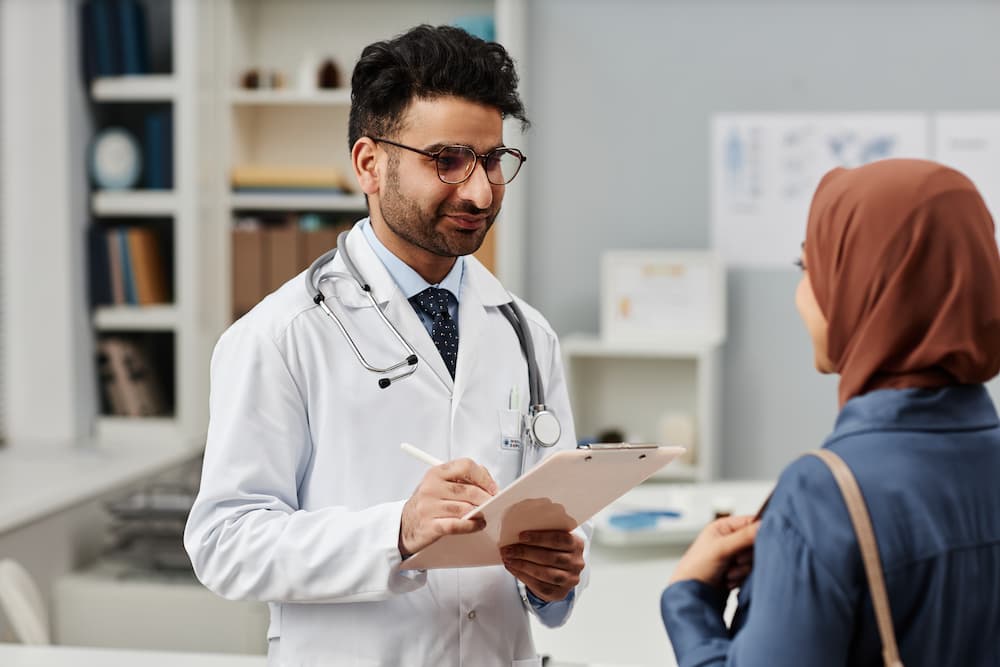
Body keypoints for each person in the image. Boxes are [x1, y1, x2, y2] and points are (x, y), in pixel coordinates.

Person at [184, 25, 589, 667]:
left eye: (491, 160)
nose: (480, 191)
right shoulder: (280, 335)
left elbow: (558, 518)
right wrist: (396, 534)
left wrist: (555, 578)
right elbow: (224, 543)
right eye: (448, 160)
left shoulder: (525, 332)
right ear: (370, 164)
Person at [660, 158, 1000, 666]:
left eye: (809, 268)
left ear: (863, 287)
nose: (801, 295)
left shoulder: (823, 496)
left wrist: (688, 596)